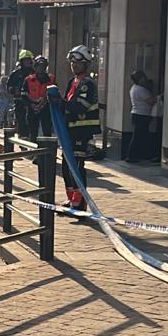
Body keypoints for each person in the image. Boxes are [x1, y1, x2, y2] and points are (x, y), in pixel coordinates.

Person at [57, 46, 102, 214]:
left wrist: (61, 104)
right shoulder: (73, 82)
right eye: (72, 63)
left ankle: (81, 203)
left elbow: (79, 107)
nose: (74, 66)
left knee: (76, 165)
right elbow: (67, 104)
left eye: (78, 63)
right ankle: (72, 199)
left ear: (86, 64)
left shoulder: (87, 85)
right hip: (70, 130)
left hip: (81, 132)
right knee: (66, 165)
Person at [126, 70, 158, 163]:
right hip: (141, 115)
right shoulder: (140, 89)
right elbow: (151, 101)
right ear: (139, 79)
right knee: (138, 136)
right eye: (143, 77)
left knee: (140, 136)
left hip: (138, 114)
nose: (145, 79)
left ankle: (138, 155)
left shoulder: (134, 88)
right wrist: (160, 96)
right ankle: (131, 156)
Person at [22, 55, 55, 140]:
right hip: (32, 109)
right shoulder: (28, 79)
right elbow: (24, 94)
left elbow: (55, 94)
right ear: (35, 67)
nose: (41, 68)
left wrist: (46, 101)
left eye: (43, 66)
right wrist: (31, 104)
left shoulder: (51, 79)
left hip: (46, 108)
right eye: (39, 66)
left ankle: (47, 151)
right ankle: (34, 151)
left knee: (47, 131)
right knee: (33, 132)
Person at [8, 50, 36, 137]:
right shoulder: (15, 74)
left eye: (29, 60)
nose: (28, 62)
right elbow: (9, 87)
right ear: (21, 61)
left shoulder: (35, 73)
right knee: (21, 121)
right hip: (19, 101)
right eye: (25, 60)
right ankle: (22, 139)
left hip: (32, 102)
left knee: (32, 122)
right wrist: (14, 90)